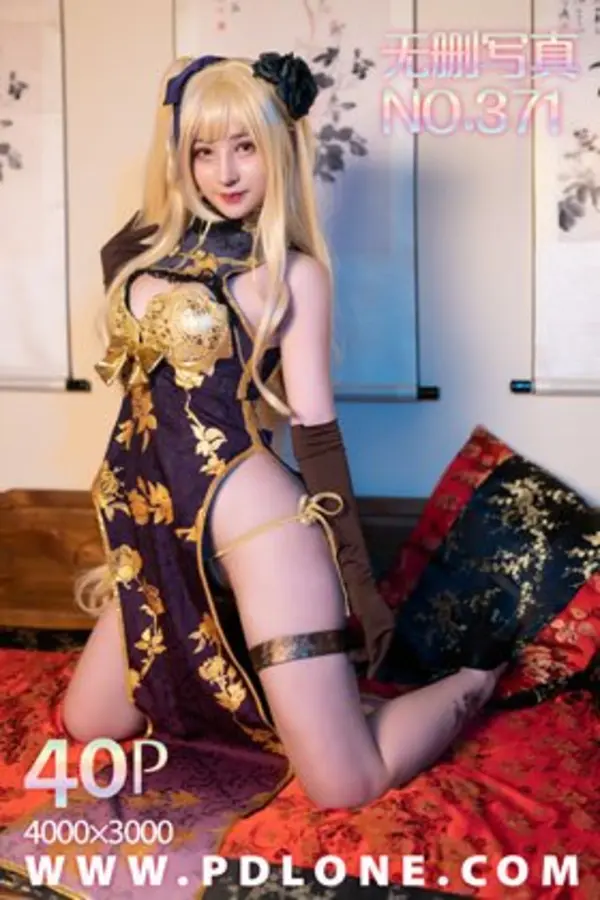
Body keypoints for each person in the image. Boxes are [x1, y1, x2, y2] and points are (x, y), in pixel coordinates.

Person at [61, 51, 509, 814]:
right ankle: (305, 694)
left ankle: (474, 680)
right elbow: (148, 214)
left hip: (260, 531)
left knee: (345, 782)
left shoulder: (294, 274)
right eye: (203, 150)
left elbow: (317, 437)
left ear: (280, 149)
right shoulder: (143, 254)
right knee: (92, 721)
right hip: (160, 532)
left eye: (246, 147)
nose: (225, 172)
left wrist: (362, 589)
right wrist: (184, 98)